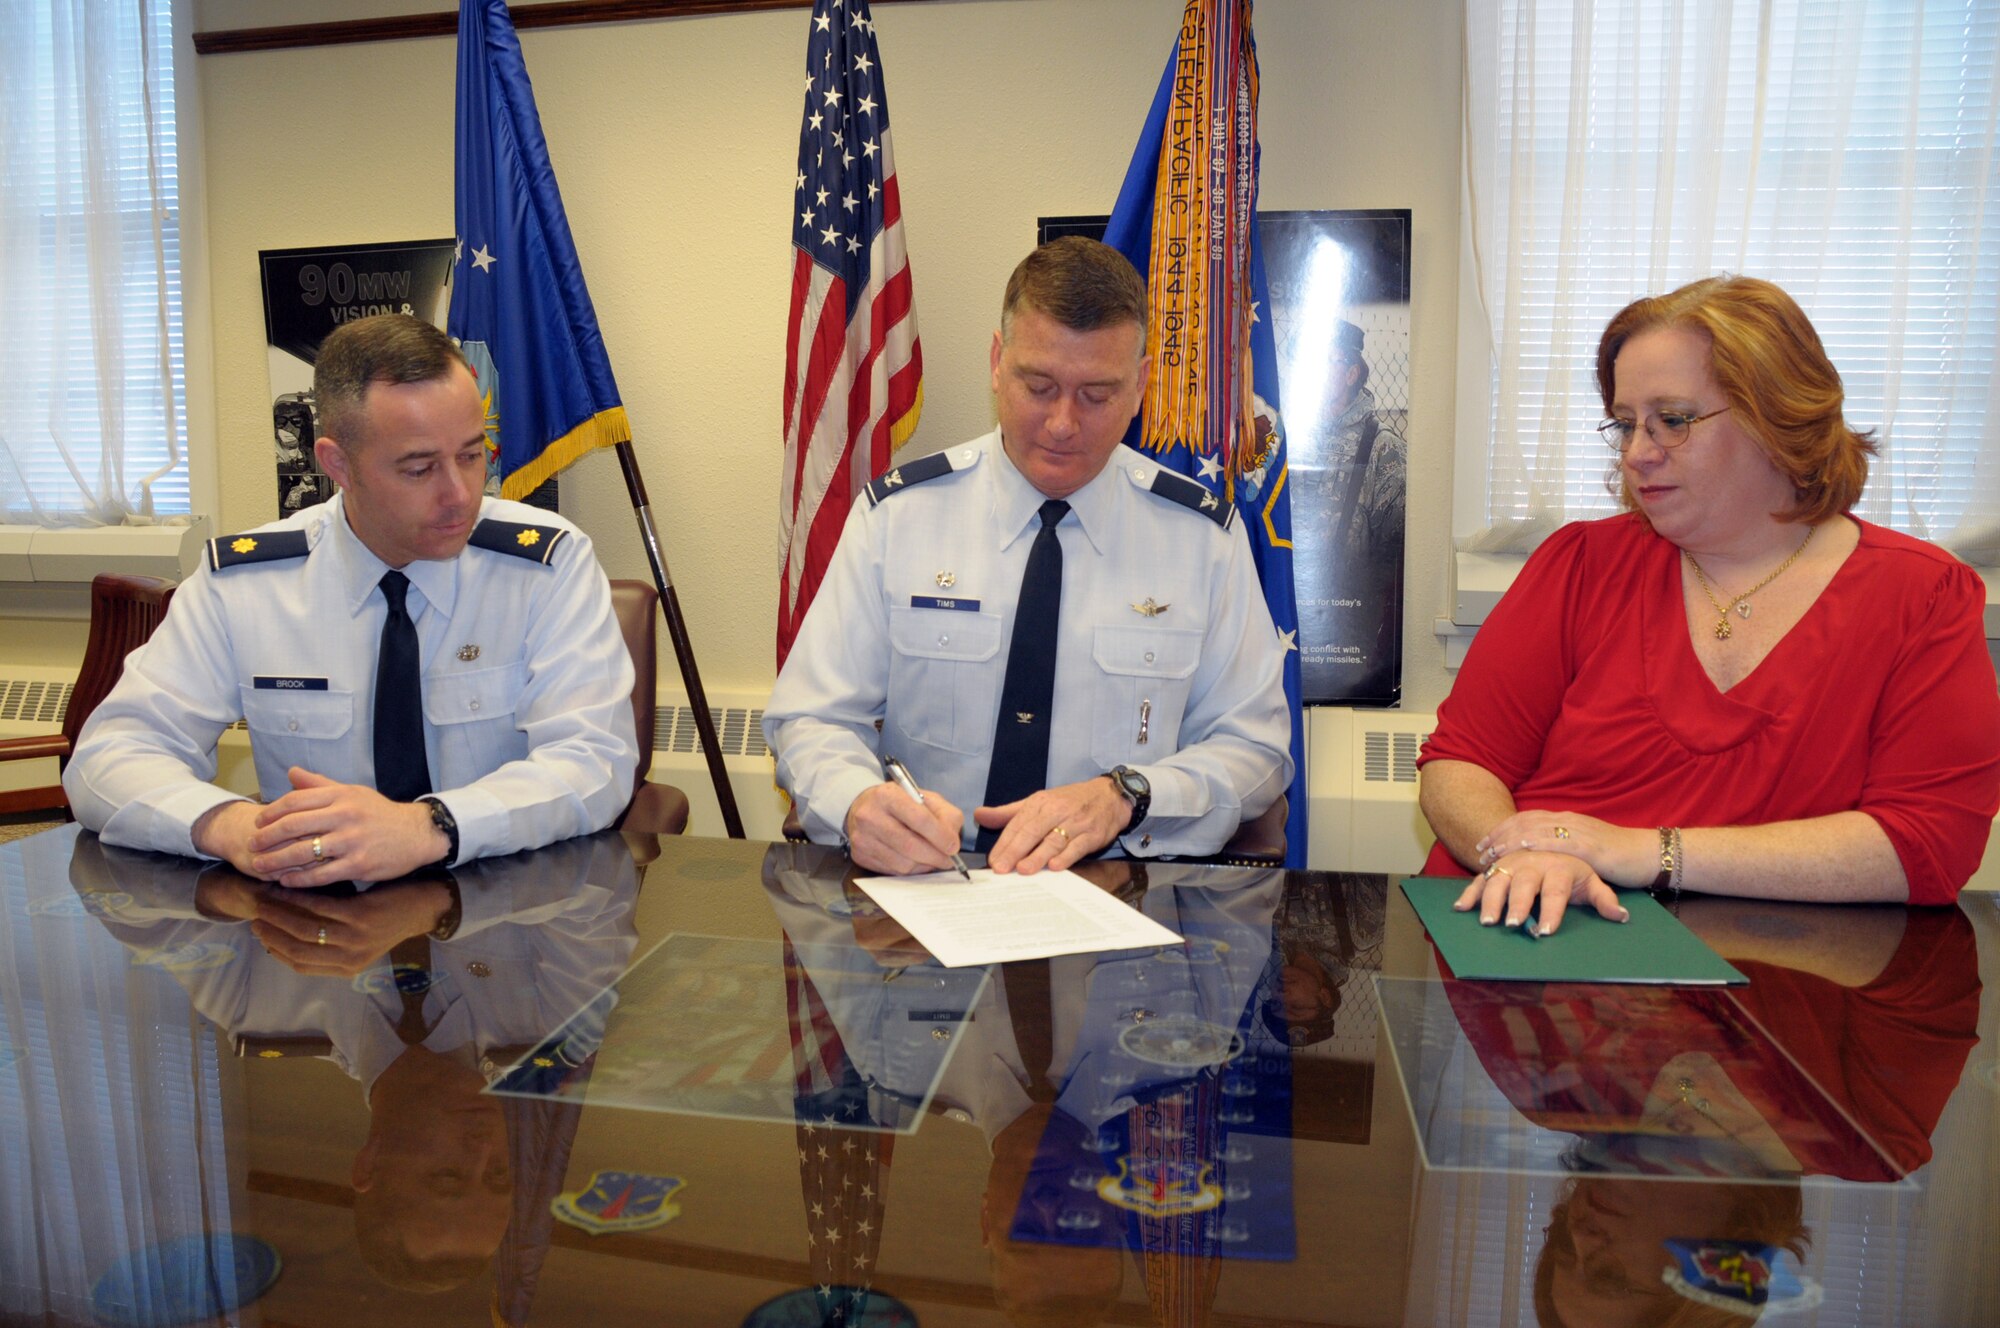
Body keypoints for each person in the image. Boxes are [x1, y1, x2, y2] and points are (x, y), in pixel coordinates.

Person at [1418, 276, 2000, 932]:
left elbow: (1926, 845)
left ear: (1777, 415)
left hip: (1770, 974)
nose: (1638, 452)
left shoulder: (1922, 597)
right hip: (1532, 945)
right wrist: (1527, 859)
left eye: (1673, 420)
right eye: (1626, 424)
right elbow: (1460, 765)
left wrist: (1642, 852)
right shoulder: (1581, 564)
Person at [764, 237, 1292, 877]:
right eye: (1038, 386)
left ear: (1142, 386)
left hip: (1119, 893)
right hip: (932, 889)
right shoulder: (897, 519)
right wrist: (856, 803)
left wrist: (1128, 795)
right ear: (996, 362)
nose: (1063, 423)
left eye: (1097, 395)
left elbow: (1254, 748)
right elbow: (812, 716)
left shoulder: (1202, 540)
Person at [63, 313, 638, 884]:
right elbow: (108, 759)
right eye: (419, 468)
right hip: (316, 924)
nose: (461, 494)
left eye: (471, 453)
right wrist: (232, 825)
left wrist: (429, 826)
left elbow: (596, 762)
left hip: (501, 913)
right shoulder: (244, 584)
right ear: (337, 464)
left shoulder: (545, 566)